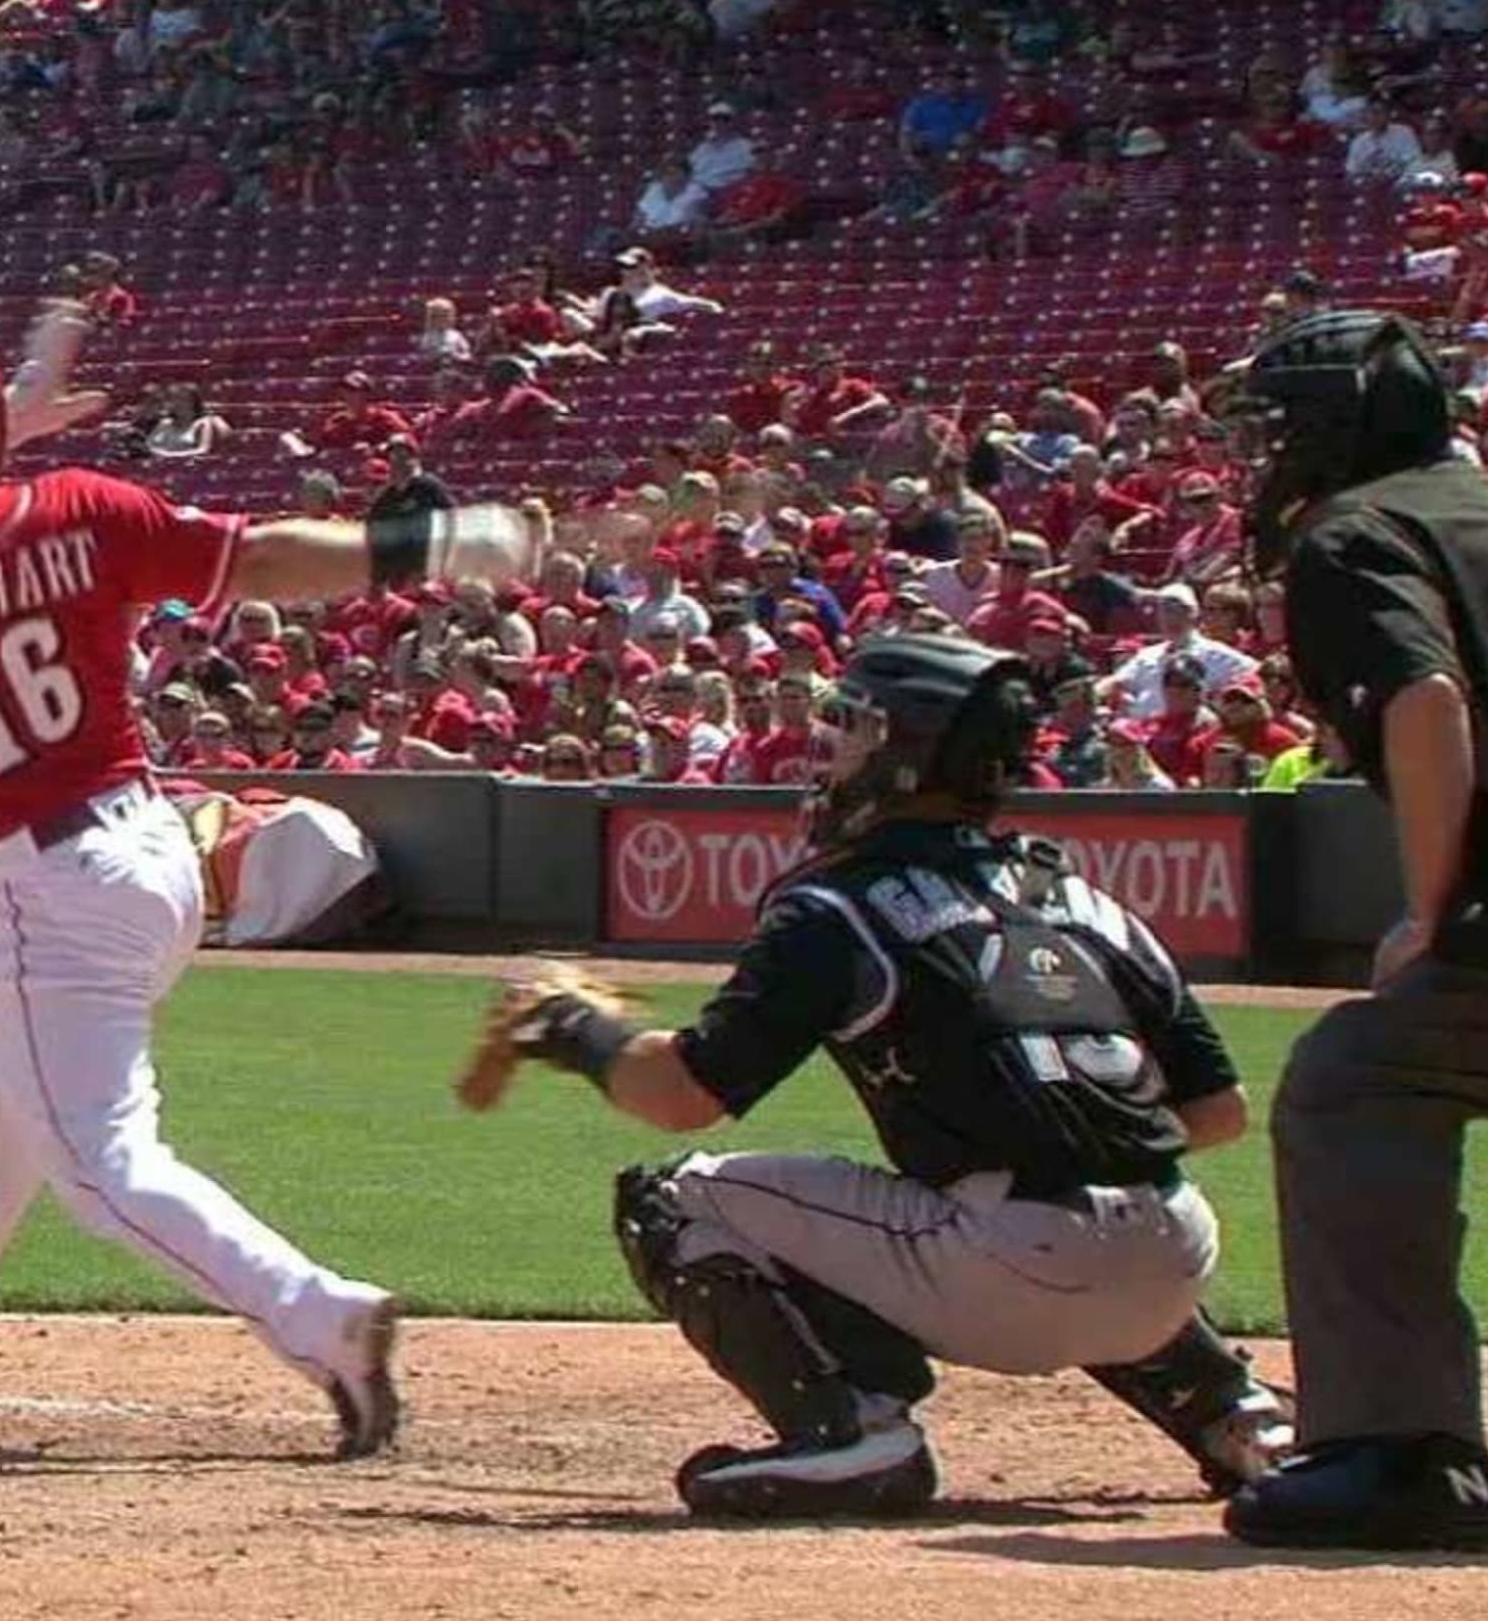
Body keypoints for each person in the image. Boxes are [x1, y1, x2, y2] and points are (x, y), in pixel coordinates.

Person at [0, 307, 535, 1455]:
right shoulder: (92, 512)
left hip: (49, 889)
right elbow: (268, 558)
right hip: (152, 851)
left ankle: (325, 1318)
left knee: (97, 1164)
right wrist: (423, 547)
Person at [459, 635, 1290, 1519]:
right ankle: (1241, 1417)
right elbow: (1221, 1112)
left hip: (1004, 1270)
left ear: (906, 750)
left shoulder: (836, 905)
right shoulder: (1083, 898)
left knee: (674, 1202)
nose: (831, 753)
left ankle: (852, 1432)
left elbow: (681, 1099)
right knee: (1087, 1206)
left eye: (852, 731)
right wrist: (1065, 1146)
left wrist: (574, 1027)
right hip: (1176, 1260)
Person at [1218, 311, 1488, 1551]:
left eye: (1283, 426)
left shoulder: (1359, 531)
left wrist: (1430, 907)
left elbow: (1425, 696)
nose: (1272, 454)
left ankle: (1404, 1454)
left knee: (1357, 1082)